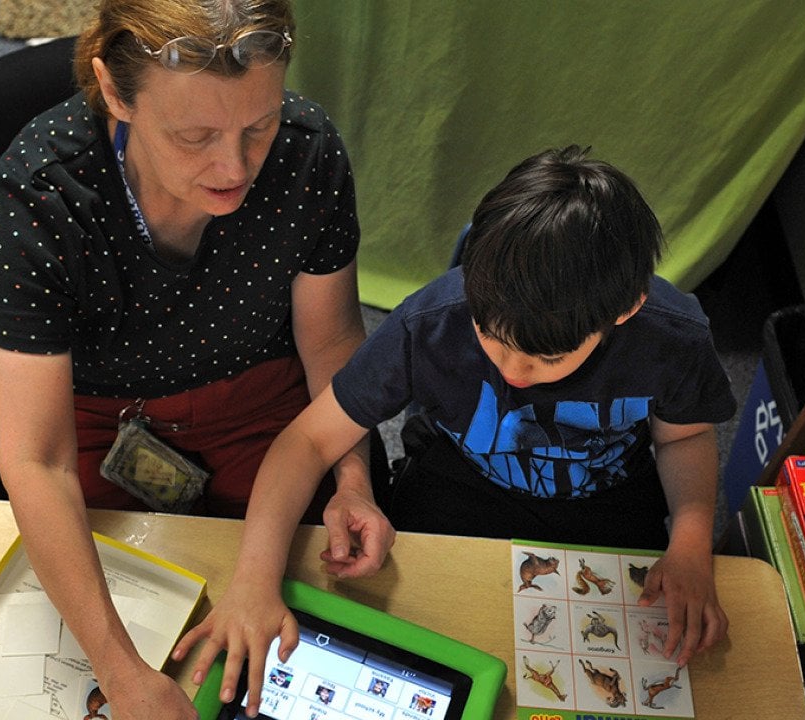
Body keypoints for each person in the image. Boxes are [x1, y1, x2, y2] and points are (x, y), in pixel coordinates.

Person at [174, 146, 738, 715]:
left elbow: (684, 438)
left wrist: (691, 542)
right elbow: (306, 441)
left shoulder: (671, 338)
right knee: (417, 647)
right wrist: (254, 579)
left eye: (546, 359)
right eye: (491, 335)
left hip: (607, 501)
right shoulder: (432, 322)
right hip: (458, 484)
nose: (513, 371)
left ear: (625, 309)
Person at [0, 1, 384, 717]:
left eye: (259, 125)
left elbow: (329, 343)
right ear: (115, 92)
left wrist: (354, 477)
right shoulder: (40, 193)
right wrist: (120, 671)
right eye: (194, 136)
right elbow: (37, 459)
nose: (234, 166)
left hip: (262, 405)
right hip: (99, 421)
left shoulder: (308, 151)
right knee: (117, 613)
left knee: (330, 604)